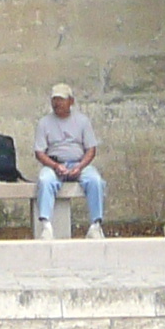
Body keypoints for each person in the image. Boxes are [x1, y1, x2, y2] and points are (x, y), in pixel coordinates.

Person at [33, 83, 106, 240]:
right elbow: (39, 152)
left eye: (61, 99)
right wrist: (55, 166)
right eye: (55, 100)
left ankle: (96, 225)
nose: (57, 103)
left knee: (95, 180)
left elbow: (91, 149)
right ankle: (46, 226)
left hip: (79, 163)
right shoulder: (44, 123)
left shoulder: (82, 121)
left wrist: (80, 166)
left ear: (71, 101)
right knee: (45, 180)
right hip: (54, 164)